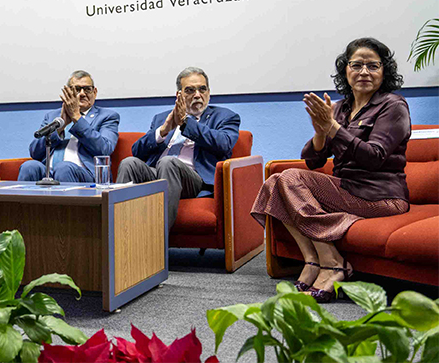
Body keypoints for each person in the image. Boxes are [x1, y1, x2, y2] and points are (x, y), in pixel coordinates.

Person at [251, 38, 410, 303]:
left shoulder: (393, 106)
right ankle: (312, 259)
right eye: (356, 65)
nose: (364, 72)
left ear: (385, 72)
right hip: (347, 189)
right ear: (345, 70)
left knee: (288, 178)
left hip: (381, 197)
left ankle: (334, 262)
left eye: (373, 66)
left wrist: (334, 128)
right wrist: (320, 132)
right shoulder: (340, 108)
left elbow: (374, 157)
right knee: (275, 181)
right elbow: (313, 160)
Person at [116, 67, 240, 229]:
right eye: (190, 90)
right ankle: (118, 236)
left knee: (168, 162)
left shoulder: (225, 116)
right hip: (157, 174)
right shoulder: (161, 118)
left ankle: (157, 243)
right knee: (129, 163)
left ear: (209, 92)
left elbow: (224, 144)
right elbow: (137, 151)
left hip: (193, 180)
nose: (197, 94)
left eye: (202, 89)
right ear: (179, 95)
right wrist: (163, 130)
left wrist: (186, 123)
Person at [18, 70, 120, 183]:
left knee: (64, 168)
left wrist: (77, 118)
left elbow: (104, 149)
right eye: (77, 89)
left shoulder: (107, 116)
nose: (82, 93)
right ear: (68, 92)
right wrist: (60, 127)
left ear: (94, 92)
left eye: (87, 89)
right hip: (49, 172)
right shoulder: (52, 116)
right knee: (29, 166)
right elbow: (35, 152)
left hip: (85, 173)